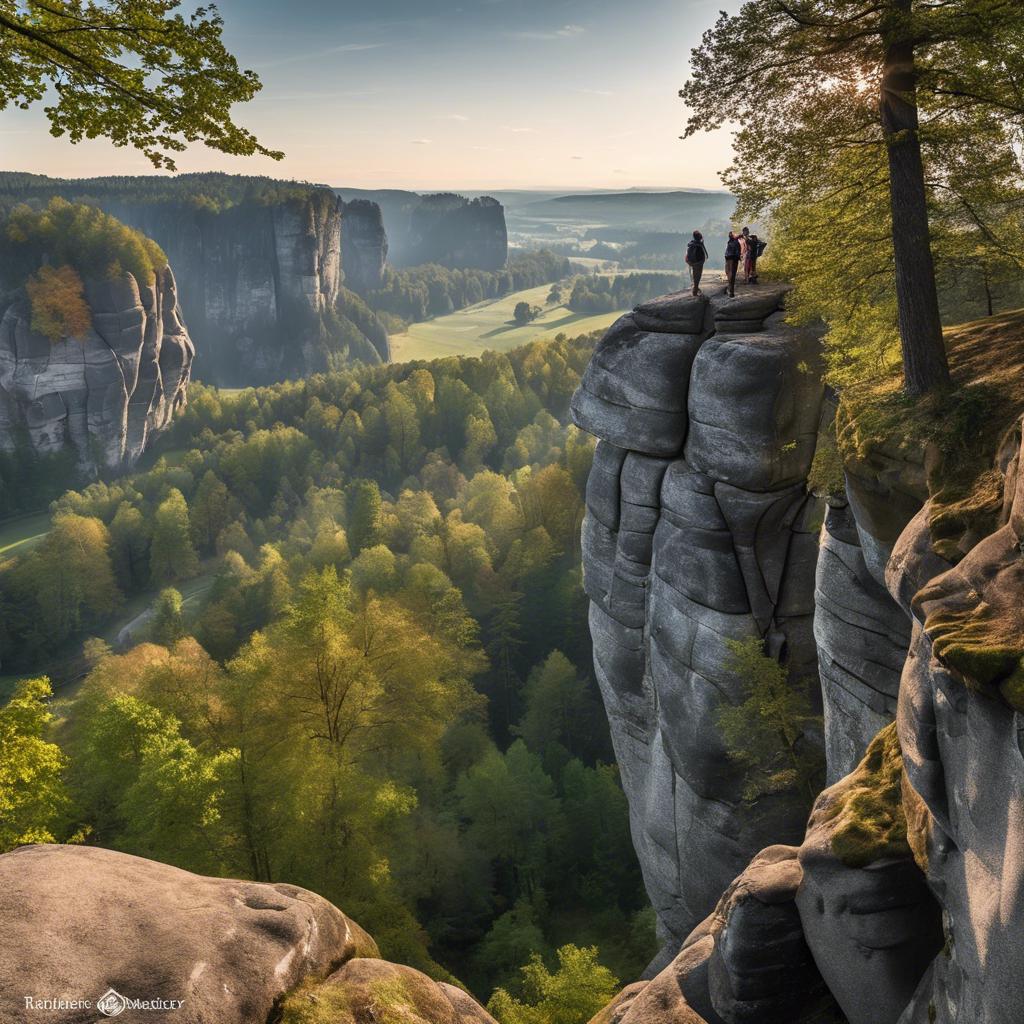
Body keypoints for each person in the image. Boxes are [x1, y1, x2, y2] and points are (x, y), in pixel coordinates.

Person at [685, 230, 709, 296]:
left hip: (692, 262)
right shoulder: (700, 243)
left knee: (694, 274)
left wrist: (688, 261)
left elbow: (687, 253)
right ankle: (695, 289)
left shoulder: (690, 244)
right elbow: (705, 253)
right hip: (699, 262)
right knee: (698, 275)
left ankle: (695, 288)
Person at [724, 231, 741, 296]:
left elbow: (727, 251)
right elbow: (738, 252)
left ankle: (731, 290)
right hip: (733, 259)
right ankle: (731, 291)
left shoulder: (730, 242)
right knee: (732, 274)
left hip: (729, 258)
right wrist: (738, 258)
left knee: (729, 273)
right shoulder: (736, 242)